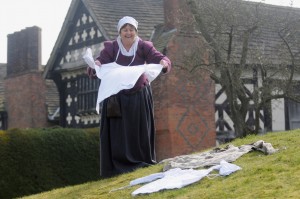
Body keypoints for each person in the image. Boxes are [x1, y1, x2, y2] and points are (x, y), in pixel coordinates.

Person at [87, 16, 171, 178]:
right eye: (125, 30)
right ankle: (117, 167)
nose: (128, 32)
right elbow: (100, 62)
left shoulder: (143, 46)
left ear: (135, 31)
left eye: (131, 29)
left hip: (139, 95)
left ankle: (141, 162)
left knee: (138, 130)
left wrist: (164, 63)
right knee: (118, 133)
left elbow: (160, 58)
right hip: (116, 98)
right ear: (120, 32)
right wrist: (96, 65)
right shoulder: (111, 47)